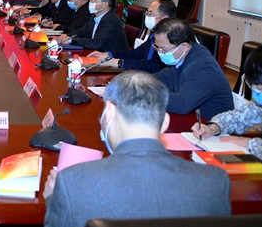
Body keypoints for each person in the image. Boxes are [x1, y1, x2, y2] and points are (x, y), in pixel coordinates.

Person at [43, 70, 231, 227]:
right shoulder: (215, 181)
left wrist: (53, 199)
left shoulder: (71, 182)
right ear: (165, 122)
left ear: (109, 112)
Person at [193, 42, 262, 172]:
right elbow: (240, 116)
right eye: (253, 87)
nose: (256, 94)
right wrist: (214, 127)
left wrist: (250, 144)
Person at [152, 18, 233, 120]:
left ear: (184, 46)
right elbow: (160, 78)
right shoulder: (182, 57)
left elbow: (181, 104)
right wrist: (136, 83)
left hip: (208, 124)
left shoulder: (205, 68)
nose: (159, 53)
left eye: (163, 49)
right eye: (157, 48)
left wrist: (146, 94)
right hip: (192, 117)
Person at [88, 0, 176, 73]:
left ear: (164, 18)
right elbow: (135, 53)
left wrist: (117, 62)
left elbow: (153, 66)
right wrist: (109, 55)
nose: (147, 16)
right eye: (147, 13)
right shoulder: (154, 35)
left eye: (150, 13)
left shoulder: (171, 40)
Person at [59, 0, 128, 52]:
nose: (90, 1)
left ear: (104, 5)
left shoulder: (111, 20)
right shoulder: (94, 16)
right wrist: (67, 36)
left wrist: (71, 40)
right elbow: (82, 32)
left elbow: (97, 43)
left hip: (113, 57)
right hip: (97, 54)